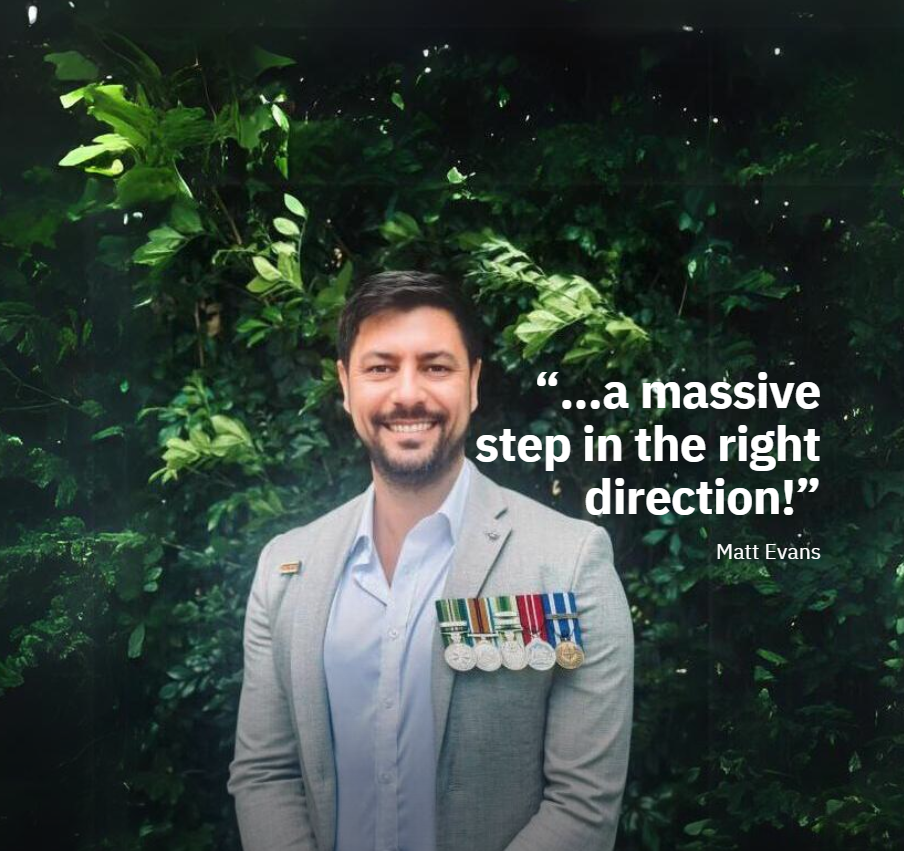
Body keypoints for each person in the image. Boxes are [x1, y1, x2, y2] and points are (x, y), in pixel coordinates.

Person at [227, 271, 634, 851]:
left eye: (436, 366)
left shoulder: (568, 562)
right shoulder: (285, 567)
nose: (408, 393)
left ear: (473, 383)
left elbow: (583, 803)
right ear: (345, 385)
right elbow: (265, 773)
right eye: (380, 367)